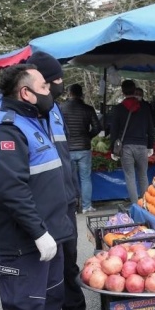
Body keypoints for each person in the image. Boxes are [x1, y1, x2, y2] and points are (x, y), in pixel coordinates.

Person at [0, 51, 101, 310]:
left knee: (66, 263)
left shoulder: (52, 108)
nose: (57, 85)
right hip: (33, 210)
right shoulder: (1, 114)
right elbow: (8, 176)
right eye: (52, 81)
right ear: (31, 86)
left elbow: (61, 154)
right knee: (32, 283)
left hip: (63, 200)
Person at [0, 64, 76, 310]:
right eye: (45, 86)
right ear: (26, 93)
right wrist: (38, 232)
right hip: (24, 242)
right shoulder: (7, 130)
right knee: (24, 309)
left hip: (52, 234)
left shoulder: (34, 121)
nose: (51, 90)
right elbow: (12, 190)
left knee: (51, 299)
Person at [110, 80, 155, 205]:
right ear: (135, 89)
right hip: (142, 146)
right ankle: (146, 204)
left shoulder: (119, 108)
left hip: (126, 147)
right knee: (143, 176)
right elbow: (151, 129)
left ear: (122, 91)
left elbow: (113, 130)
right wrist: (151, 146)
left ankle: (135, 205)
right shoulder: (145, 108)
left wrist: (112, 149)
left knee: (130, 176)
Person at [61, 84, 102, 213]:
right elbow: (97, 127)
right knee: (85, 178)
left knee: (69, 178)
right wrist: (88, 136)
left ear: (69, 93)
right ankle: (86, 206)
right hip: (84, 148)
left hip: (67, 148)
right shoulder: (88, 109)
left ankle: (72, 207)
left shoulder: (61, 108)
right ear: (81, 94)